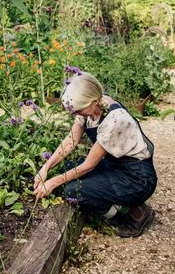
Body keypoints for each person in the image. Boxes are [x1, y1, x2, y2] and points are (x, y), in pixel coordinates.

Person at [33, 71, 157, 237]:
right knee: (69, 167)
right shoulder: (92, 107)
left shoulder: (115, 119)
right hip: (115, 165)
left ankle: (132, 212)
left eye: (78, 111)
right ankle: (120, 202)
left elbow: (89, 165)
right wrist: (45, 168)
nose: (75, 114)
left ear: (93, 103)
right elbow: (71, 141)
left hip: (136, 178)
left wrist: (53, 183)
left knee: (74, 191)